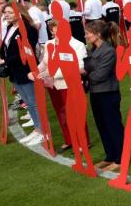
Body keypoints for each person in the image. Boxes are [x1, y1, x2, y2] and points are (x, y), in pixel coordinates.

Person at [0, 3, 43, 145]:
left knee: (33, 102)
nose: (5, 15)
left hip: (26, 71)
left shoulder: (28, 29)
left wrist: (2, 60)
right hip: (14, 71)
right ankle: (38, 129)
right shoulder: (10, 27)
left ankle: (42, 131)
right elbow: (6, 47)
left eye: (9, 12)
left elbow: (27, 54)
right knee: (28, 102)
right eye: (4, 12)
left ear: (19, 13)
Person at [37, 19, 89, 153]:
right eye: (53, 30)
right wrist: (36, 71)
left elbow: (79, 67)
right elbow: (45, 62)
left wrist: (51, 74)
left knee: (75, 114)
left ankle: (83, 141)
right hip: (53, 84)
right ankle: (69, 140)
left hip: (69, 84)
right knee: (61, 112)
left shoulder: (77, 45)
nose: (55, 32)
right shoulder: (49, 44)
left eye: (58, 29)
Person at [83, 20, 125, 172]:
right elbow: (90, 69)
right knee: (102, 125)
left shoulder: (108, 50)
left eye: (88, 33)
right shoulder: (93, 48)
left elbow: (99, 75)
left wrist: (84, 73)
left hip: (108, 93)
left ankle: (121, 158)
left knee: (113, 126)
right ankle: (110, 155)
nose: (86, 36)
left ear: (98, 34)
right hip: (96, 93)